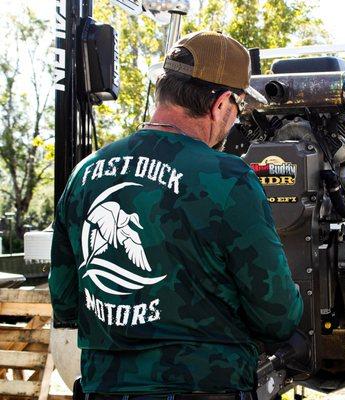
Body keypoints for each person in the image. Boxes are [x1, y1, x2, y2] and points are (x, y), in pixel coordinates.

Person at [49, 31, 303, 399]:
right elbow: (275, 311)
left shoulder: (85, 172)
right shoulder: (227, 177)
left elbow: (67, 301)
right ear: (221, 104)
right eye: (238, 109)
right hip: (203, 387)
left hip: (104, 387)